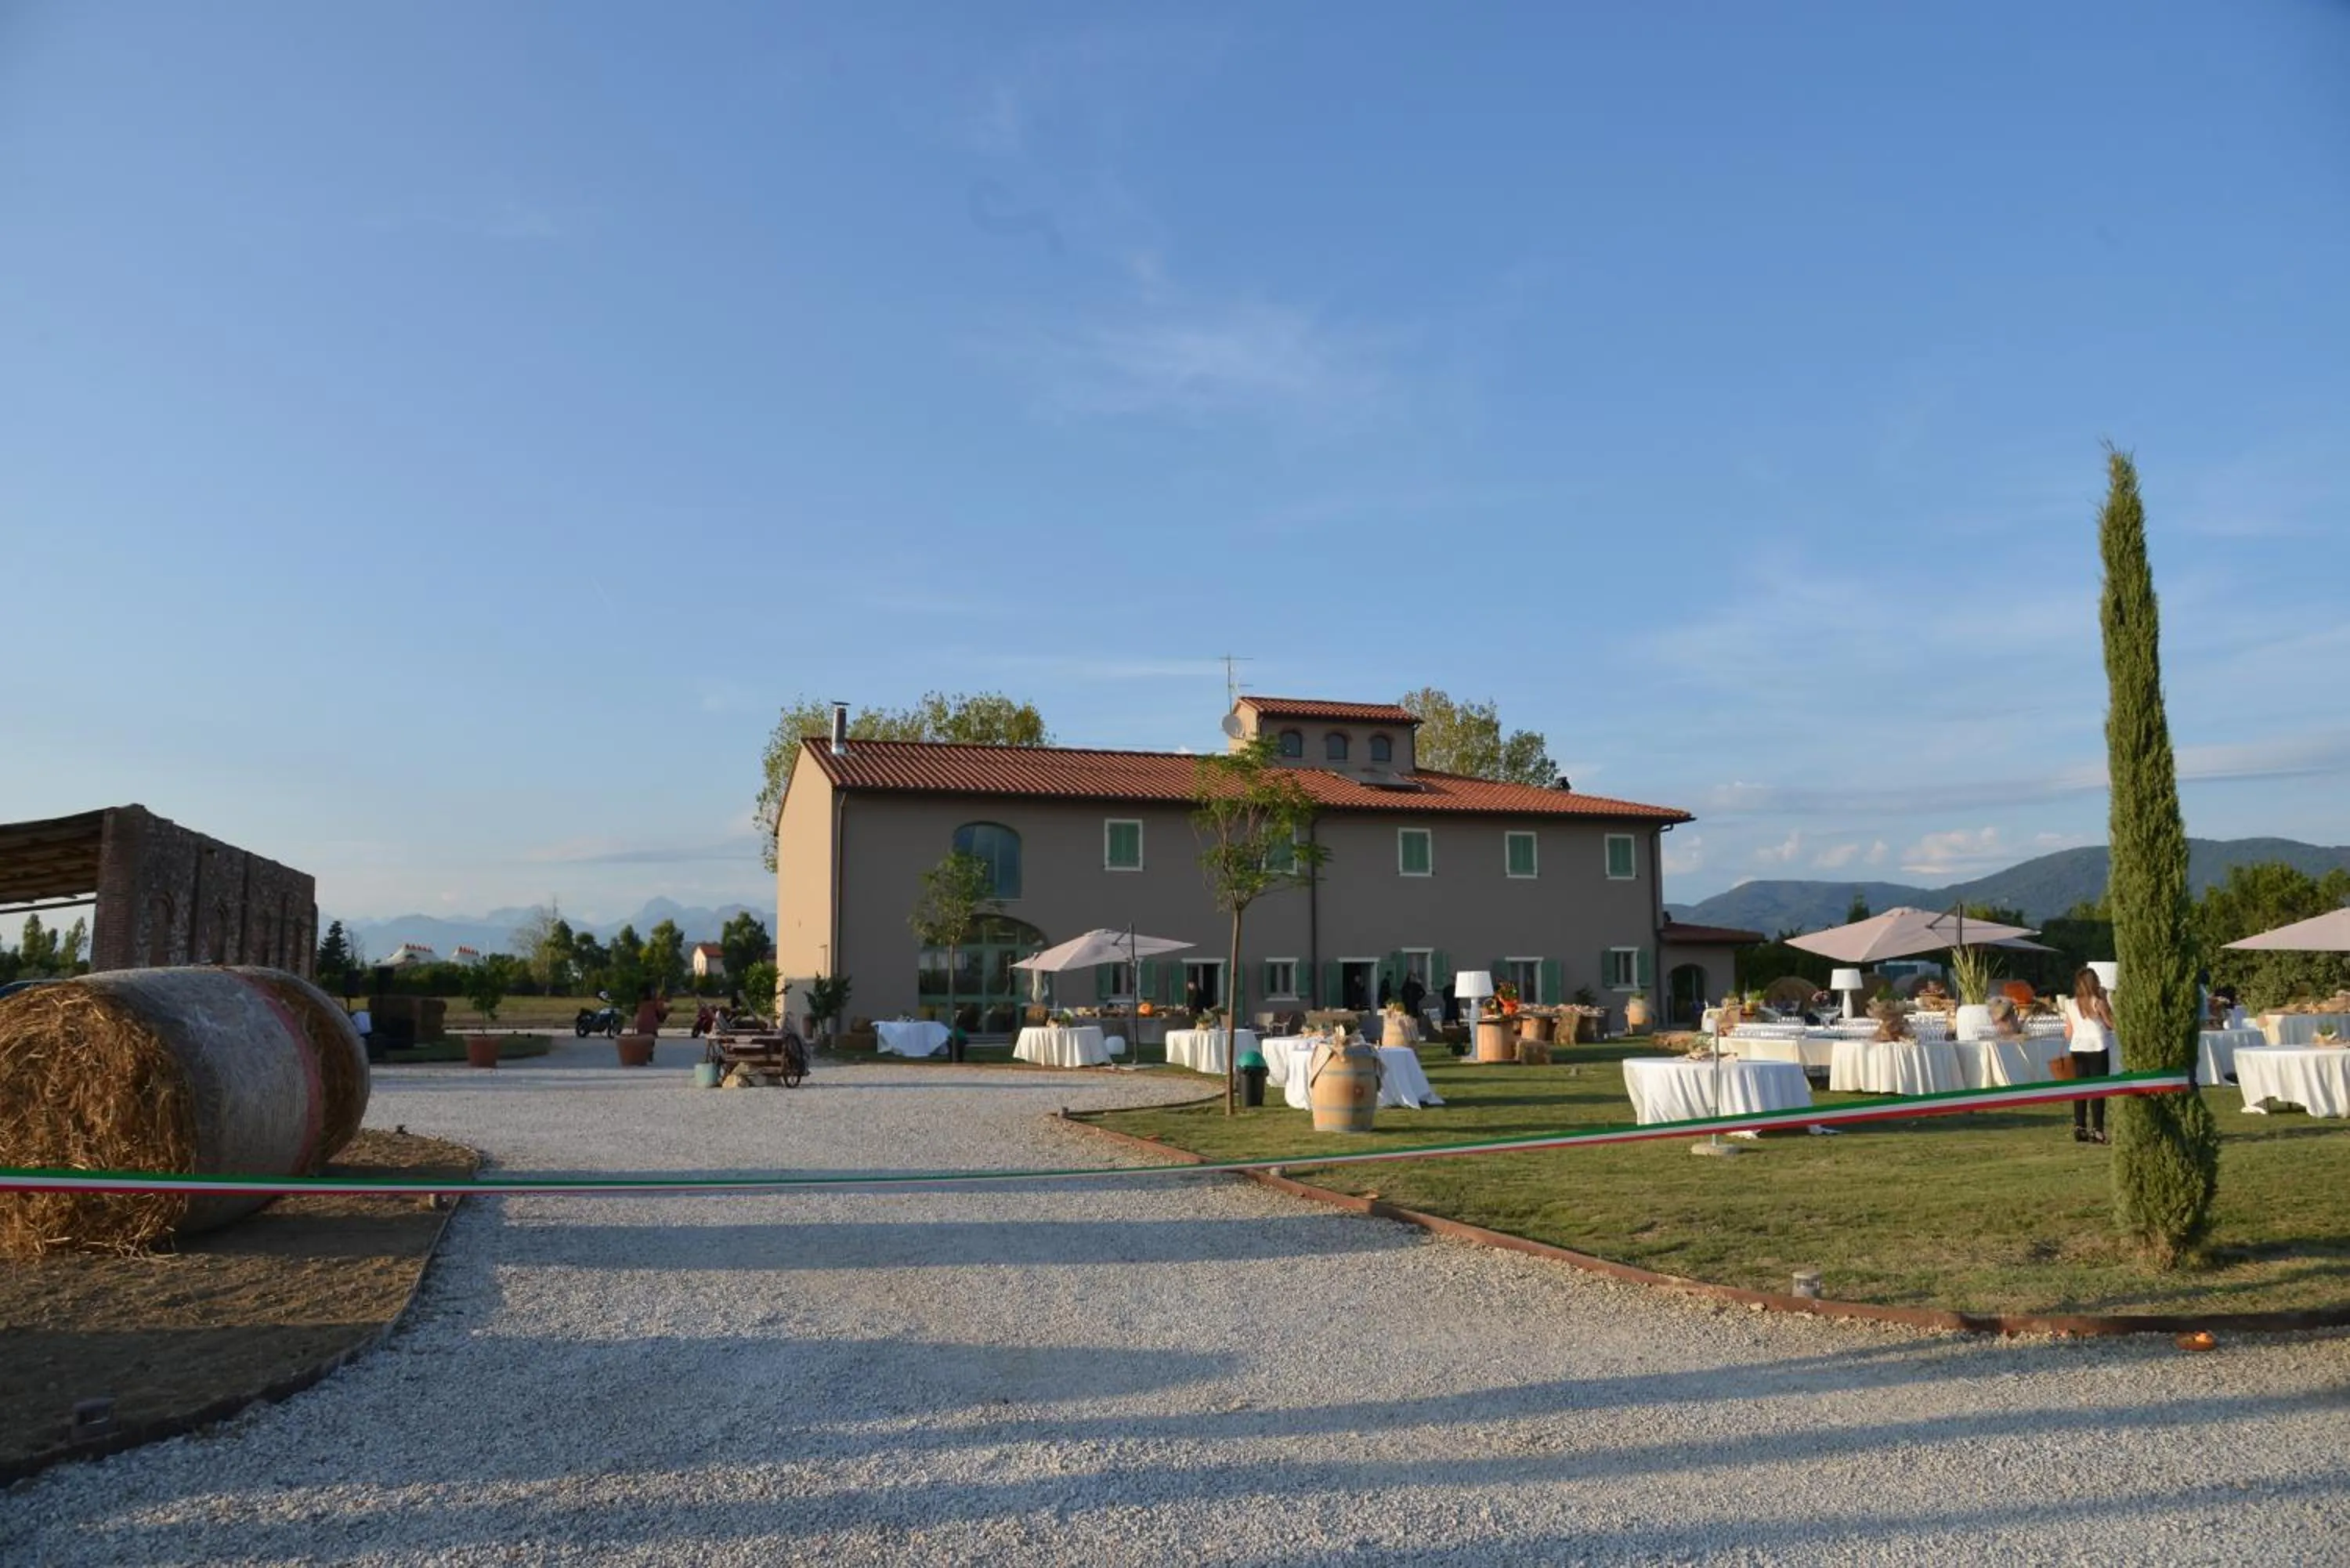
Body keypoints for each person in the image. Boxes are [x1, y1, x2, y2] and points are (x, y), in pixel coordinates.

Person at [2063, 966, 2116, 1143]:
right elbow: (2111, 1024)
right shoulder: (2097, 1002)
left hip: (2078, 1047)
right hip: (2097, 1047)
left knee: (2080, 1088)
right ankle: (2097, 1129)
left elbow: (2068, 1033)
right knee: (2098, 1090)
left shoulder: (2070, 1004)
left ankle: (2080, 1126)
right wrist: (2106, 1000)